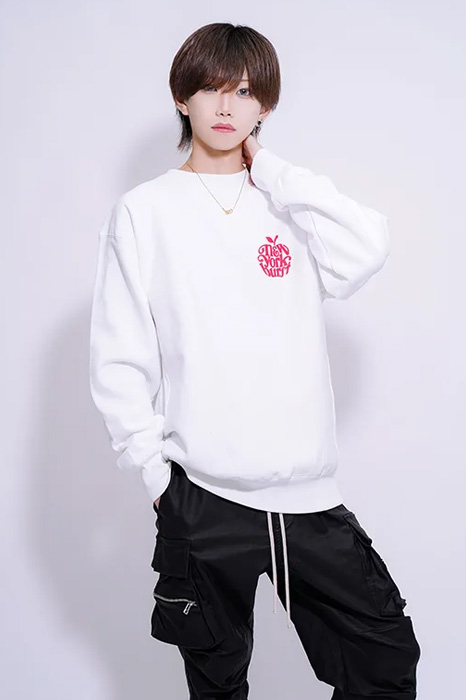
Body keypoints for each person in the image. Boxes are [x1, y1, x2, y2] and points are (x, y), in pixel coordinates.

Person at [89, 21, 421, 700]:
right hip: (203, 498)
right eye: (211, 88)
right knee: (218, 685)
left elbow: (367, 247)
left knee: (384, 662)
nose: (225, 106)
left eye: (243, 91)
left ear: (265, 104)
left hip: (307, 496)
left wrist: (268, 169)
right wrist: (158, 481)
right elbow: (120, 360)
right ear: (182, 97)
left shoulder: (287, 204)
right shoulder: (144, 212)